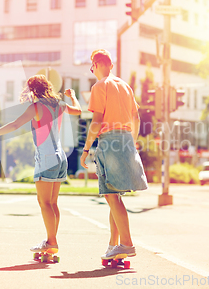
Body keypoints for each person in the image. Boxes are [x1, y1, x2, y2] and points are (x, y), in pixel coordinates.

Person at [0, 75, 81, 253]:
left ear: (33, 90)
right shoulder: (60, 105)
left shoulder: (37, 107)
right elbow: (78, 110)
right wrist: (73, 96)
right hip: (61, 157)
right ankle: (51, 240)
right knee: (53, 203)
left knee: (44, 202)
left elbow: (15, 125)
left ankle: (51, 242)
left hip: (46, 158)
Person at [80, 49, 148, 260]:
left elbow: (97, 121)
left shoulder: (100, 86)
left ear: (97, 64)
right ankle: (114, 245)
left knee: (110, 194)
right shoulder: (125, 86)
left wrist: (86, 149)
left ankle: (126, 244)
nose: (93, 71)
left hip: (109, 141)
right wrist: (132, 142)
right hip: (127, 139)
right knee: (115, 196)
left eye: (92, 67)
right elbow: (136, 117)